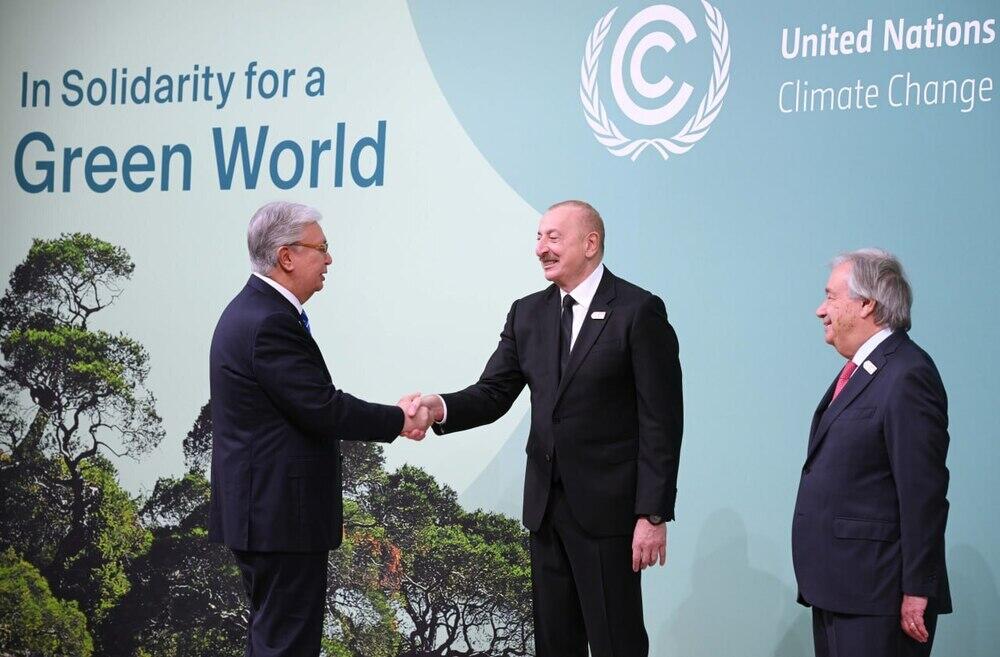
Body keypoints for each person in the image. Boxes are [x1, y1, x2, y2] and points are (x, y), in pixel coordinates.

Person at [412, 200, 683, 657]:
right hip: (545, 513)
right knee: (555, 646)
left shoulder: (638, 311)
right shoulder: (527, 313)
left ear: (590, 243)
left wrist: (652, 514)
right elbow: (493, 393)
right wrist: (439, 407)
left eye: (553, 237)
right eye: (538, 238)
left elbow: (661, 421)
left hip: (609, 516)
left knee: (618, 643)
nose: (541, 249)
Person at [207, 201, 432, 656]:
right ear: (287, 256)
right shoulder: (270, 321)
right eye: (322, 248)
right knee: (286, 645)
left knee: (273, 640)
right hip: (280, 519)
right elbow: (322, 408)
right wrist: (400, 419)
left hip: (265, 516)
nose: (329, 259)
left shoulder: (250, 311)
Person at [793, 248, 952, 657]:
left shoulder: (907, 374)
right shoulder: (866, 370)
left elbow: (923, 493)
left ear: (867, 304)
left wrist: (918, 589)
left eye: (830, 296)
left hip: (878, 597)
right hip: (840, 589)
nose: (820, 310)